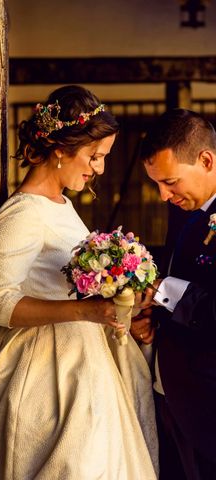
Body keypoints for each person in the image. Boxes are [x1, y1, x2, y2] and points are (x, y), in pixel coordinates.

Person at [0, 85, 158, 480]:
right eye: (95, 156)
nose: (100, 169)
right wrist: (86, 310)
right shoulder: (22, 213)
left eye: (104, 158)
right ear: (61, 148)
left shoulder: (64, 205)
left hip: (86, 358)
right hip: (48, 368)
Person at [130, 108, 216, 480]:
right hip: (174, 399)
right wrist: (152, 318)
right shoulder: (187, 209)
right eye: (157, 185)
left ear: (206, 159)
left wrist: (162, 290)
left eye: (170, 181)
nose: (164, 195)